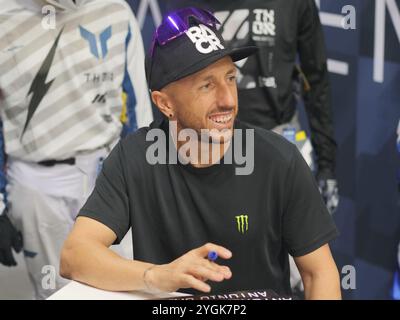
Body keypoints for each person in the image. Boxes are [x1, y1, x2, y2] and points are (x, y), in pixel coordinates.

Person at [60, 7, 341, 299]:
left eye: (230, 78)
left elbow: (318, 272)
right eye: (207, 85)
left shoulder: (279, 160)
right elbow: (74, 254)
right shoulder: (135, 158)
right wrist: (155, 276)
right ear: (165, 104)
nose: (228, 100)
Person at [0, 0, 152, 299]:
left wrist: (143, 183)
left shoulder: (115, 9)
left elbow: (138, 108)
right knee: (54, 292)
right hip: (36, 181)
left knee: (123, 287)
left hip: (105, 175)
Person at [163, 0, 339, 215]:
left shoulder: (295, 4)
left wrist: (326, 164)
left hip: (279, 141)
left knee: (290, 243)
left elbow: (316, 78)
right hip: (205, 148)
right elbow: (171, 86)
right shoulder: (181, 5)